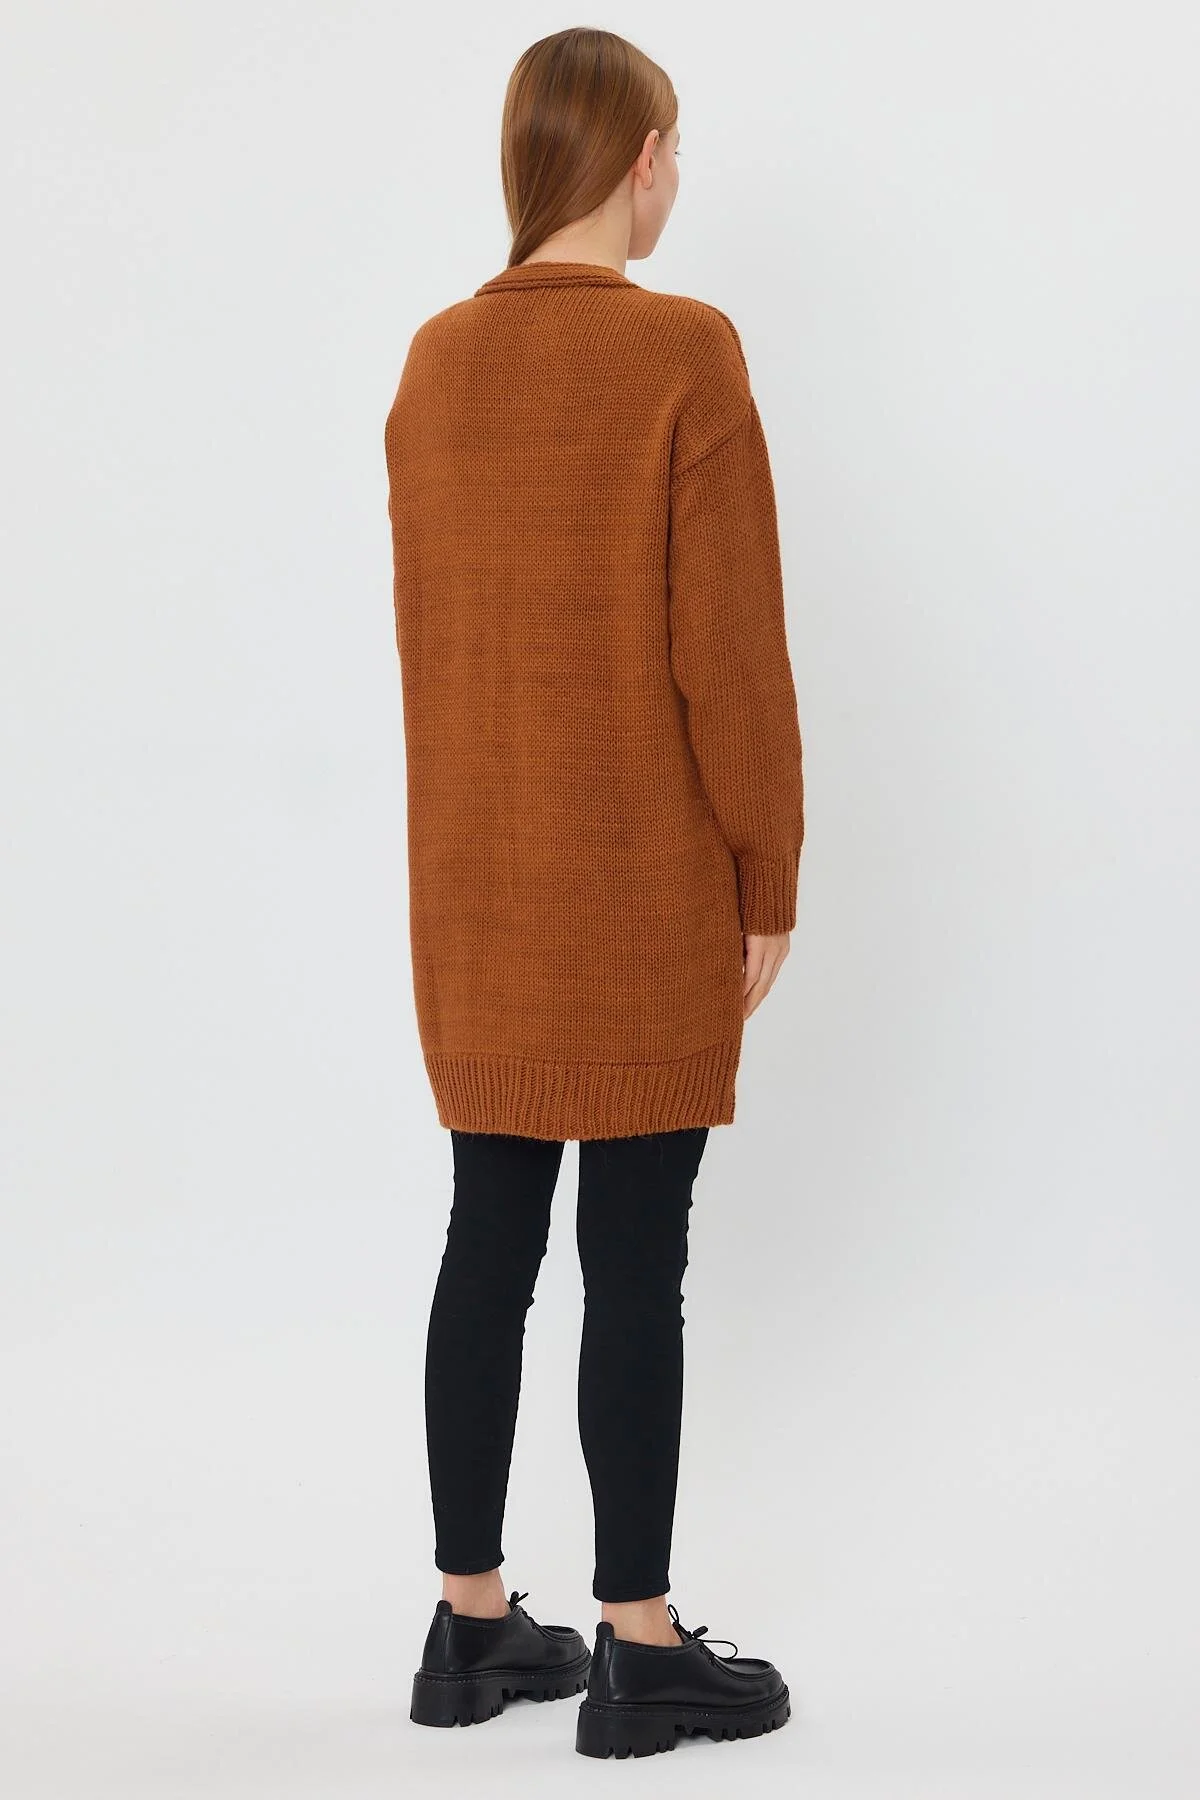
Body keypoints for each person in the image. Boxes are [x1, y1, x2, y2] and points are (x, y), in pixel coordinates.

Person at [383, 26, 804, 1760]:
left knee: (487, 1242)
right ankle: (637, 1647)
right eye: (674, 148)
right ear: (637, 160)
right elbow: (732, 655)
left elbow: (437, 644)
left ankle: (470, 1626)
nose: (677, 177)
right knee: (636, 1261)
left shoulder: (434, 364)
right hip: (637, 887)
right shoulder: (682, 351)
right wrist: (767, 870)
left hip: (477, 888)